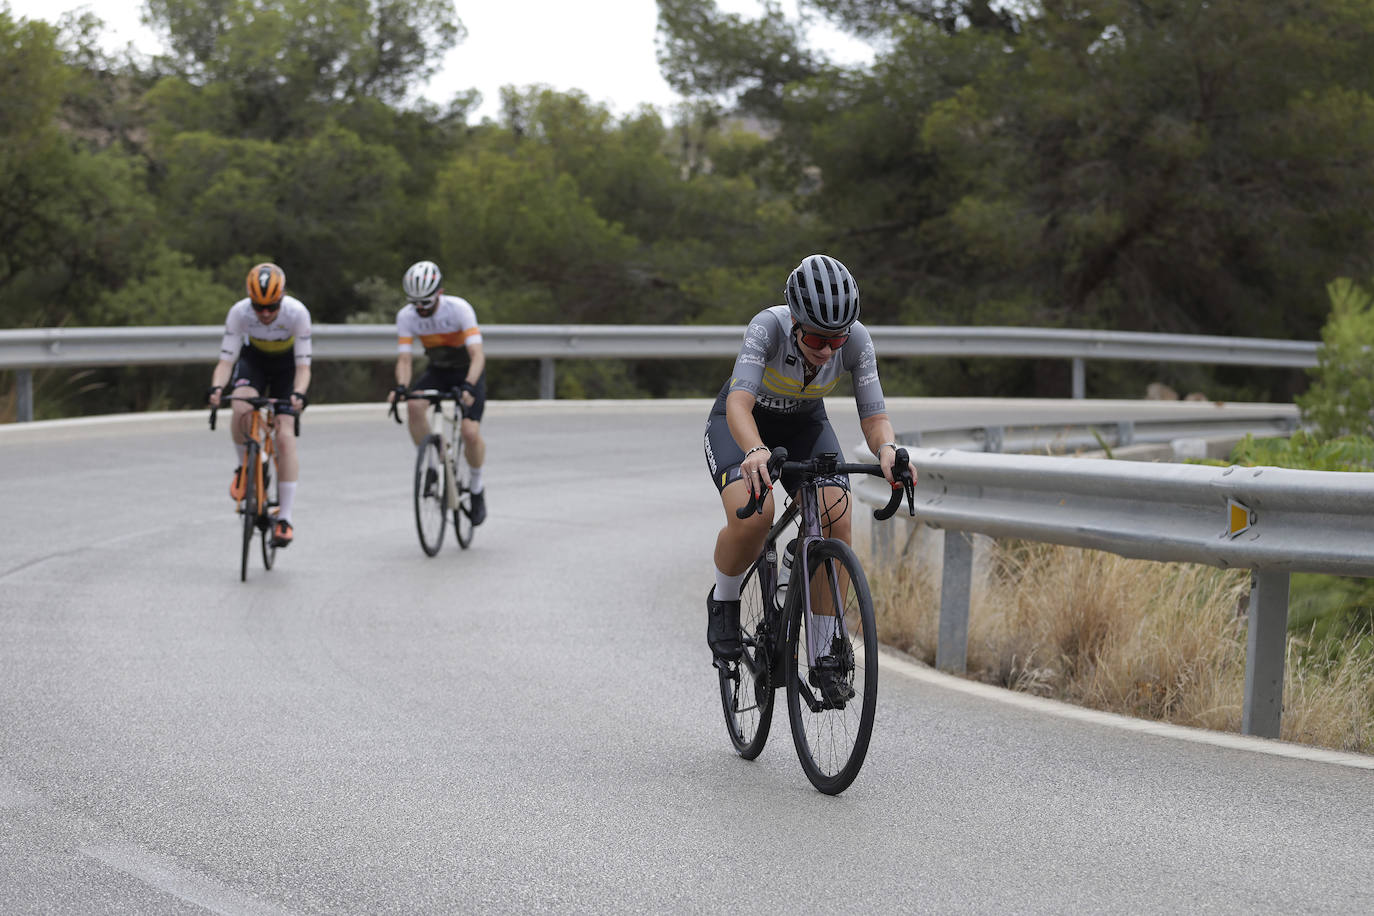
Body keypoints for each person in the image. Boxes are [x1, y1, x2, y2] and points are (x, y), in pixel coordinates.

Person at [702, 254, 917, 678]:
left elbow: (874, 418)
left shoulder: (856, 340)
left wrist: (887, 450)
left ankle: (822, 652)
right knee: (755, 516)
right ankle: (724, 600)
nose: (827, 350)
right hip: (742, 425)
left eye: (836, 342)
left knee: (836, 517)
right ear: (796, 323)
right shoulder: (767, 328)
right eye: (818, 339)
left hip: (804, 423)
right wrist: (754, 450)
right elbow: (740, 403)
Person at [208, 263, 312, 547]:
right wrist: (217, 388)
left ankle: (285, 518)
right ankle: (244, 467)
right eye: (259, 307)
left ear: (283, 298)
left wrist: (299, 394)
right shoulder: (239, 313)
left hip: (287, 367)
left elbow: (304, 367)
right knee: (240, 407)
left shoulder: (297, 313)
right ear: (249, 301)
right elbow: (226, 361)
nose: (265, 314)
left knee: (285, 436)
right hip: (254, 361)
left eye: (272, 307)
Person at [386, 260, 489, 525]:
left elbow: (478, 355)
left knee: (469, 432)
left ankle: (476, 488)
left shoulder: (459, 309)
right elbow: (405, 360)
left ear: (439, 293)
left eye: (426, 303)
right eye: (415, 303)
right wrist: (401, 388)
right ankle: (433, 464)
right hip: (439, 370)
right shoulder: (406, 316)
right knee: (414, 406)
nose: (420, 309)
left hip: (467, 371)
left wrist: (468, 386)